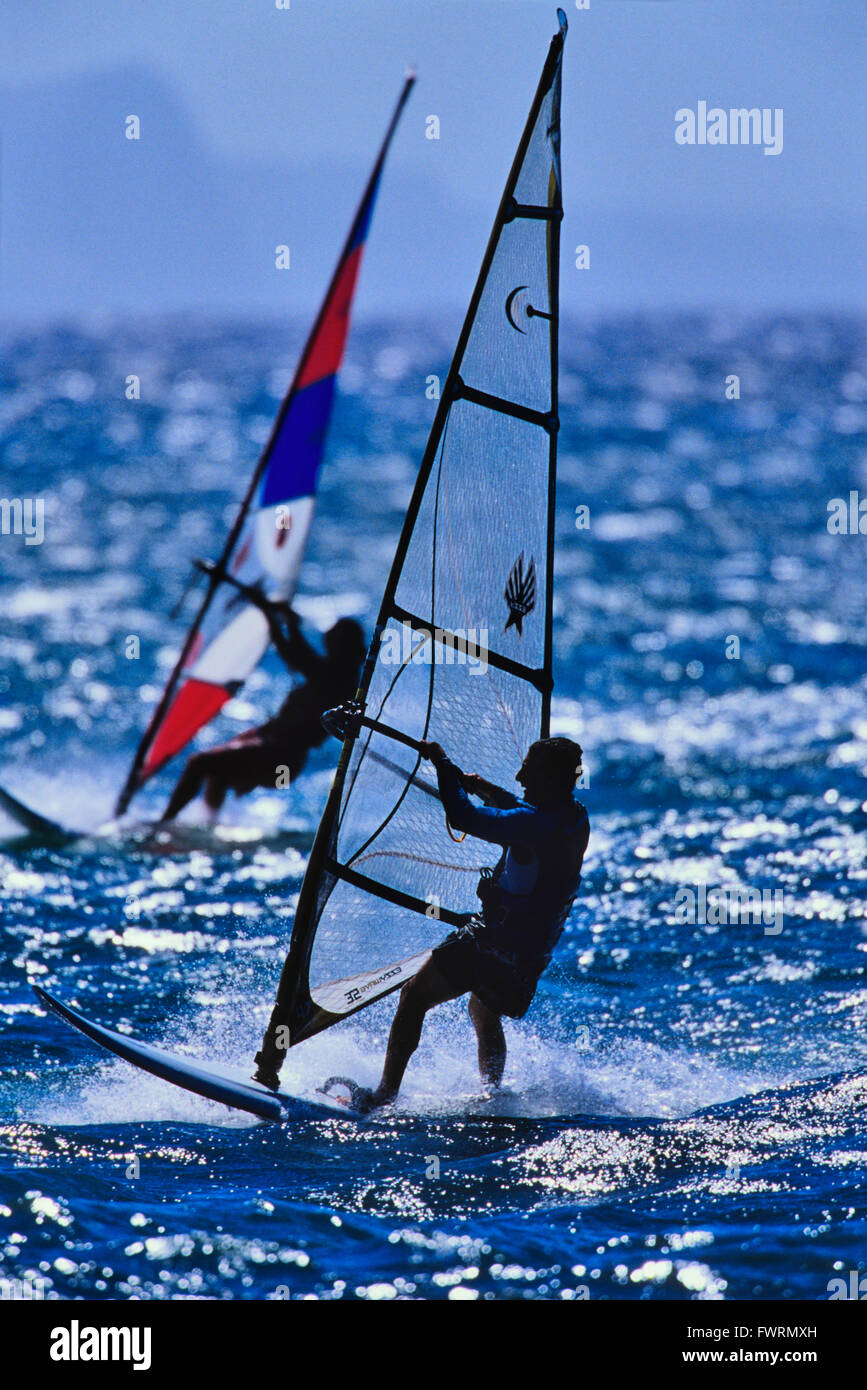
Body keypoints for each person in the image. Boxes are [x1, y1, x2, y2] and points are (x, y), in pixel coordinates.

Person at [253, 713, 589, 1110]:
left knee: (414, 996)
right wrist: (483, 789)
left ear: (551, 777)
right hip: (528, 955)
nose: (519, 777)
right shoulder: (574, 819)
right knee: (483, 1007)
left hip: (493, 944)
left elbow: (465, 818)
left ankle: (383, 1097)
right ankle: (493, 1097)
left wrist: (443, 767)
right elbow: (523, 809)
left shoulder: (532, 824)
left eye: (528, 770)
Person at [159, 593, 366, 822]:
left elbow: (298, 656)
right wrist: (281, 620)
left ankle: (163, 825)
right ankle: (206, 827)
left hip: (282, 758)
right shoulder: (333, 671)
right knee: (218, 774)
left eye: (333, 640)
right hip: (273, 747)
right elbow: (295, 656)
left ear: (344, 647)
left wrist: (280, 619)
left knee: (200, 763)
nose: (327, 643)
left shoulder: (340, 678)